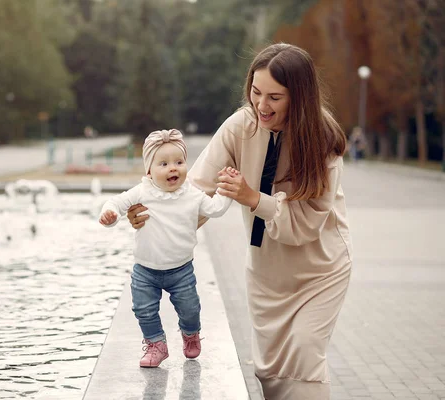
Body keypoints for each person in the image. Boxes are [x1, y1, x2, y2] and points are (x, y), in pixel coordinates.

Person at [127, 43, 352, 399]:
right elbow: (195, 191)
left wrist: (251, 198)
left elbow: (306, 225)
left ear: (300, 97)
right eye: (256, 92)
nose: (262, 105)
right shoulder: (241, 125)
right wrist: (153, 218)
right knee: (271, 374)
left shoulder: (324, 141)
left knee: (305, 363)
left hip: (319, 272)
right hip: (267, 274)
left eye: (275, 97)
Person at [98, 129, 237, 368]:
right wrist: (109, 215)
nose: (173, 168)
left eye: (179, 162)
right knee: (144, 310)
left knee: (190, 309)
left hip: (181, 270)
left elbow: (215, 209)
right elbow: (117, 203)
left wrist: (226, 189)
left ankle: (191, 334)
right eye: (163, 163)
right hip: (145, 270)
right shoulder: (143, 191)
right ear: (149, 171)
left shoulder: (192, 194)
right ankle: (156, 345)